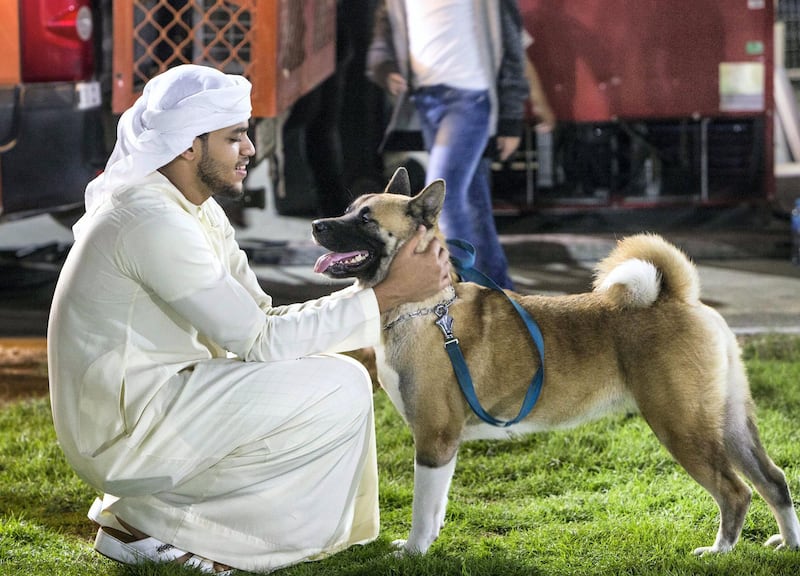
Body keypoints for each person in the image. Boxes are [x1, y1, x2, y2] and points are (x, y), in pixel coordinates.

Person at [47, 64, 451, 574]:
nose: (251, 149)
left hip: (166, 397)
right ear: (188, 145)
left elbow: (260, 317)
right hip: (126, 429)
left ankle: (142, 520)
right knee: (339, 385)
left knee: (336, 374)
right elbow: (260, 339)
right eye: (234, 137)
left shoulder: (193, 207)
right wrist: (387, 296)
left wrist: (373, 309)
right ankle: (176, 534)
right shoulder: (149, 219)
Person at [367, 0, 530, 289]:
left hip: (471, 99)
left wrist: (510, 119)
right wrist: (386, 69)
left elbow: (511, 47)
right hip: (427, 100)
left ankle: (457, 290)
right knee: (473, 199)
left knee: (446, 196)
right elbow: (385, 34)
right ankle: (500, 290)